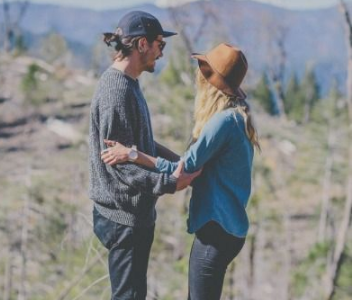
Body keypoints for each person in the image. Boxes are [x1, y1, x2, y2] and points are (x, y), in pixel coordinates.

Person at [101, 43, 261, 300]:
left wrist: (131, 154)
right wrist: (144, 149)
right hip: (230, 229)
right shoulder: (238, 116)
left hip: (215, 230)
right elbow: (192, 164)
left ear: (212, 83)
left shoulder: (222, 122)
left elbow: (184, 168)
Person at [88, 11, 201, 300]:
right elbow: (118, 165)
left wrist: (181, 163)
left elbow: (141, 144)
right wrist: (168, 182)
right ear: (141, 45)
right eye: (159, 44)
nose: (162, 53)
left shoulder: (128, 83)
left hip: (130, 215)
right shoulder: (116, 91)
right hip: (123, 217)